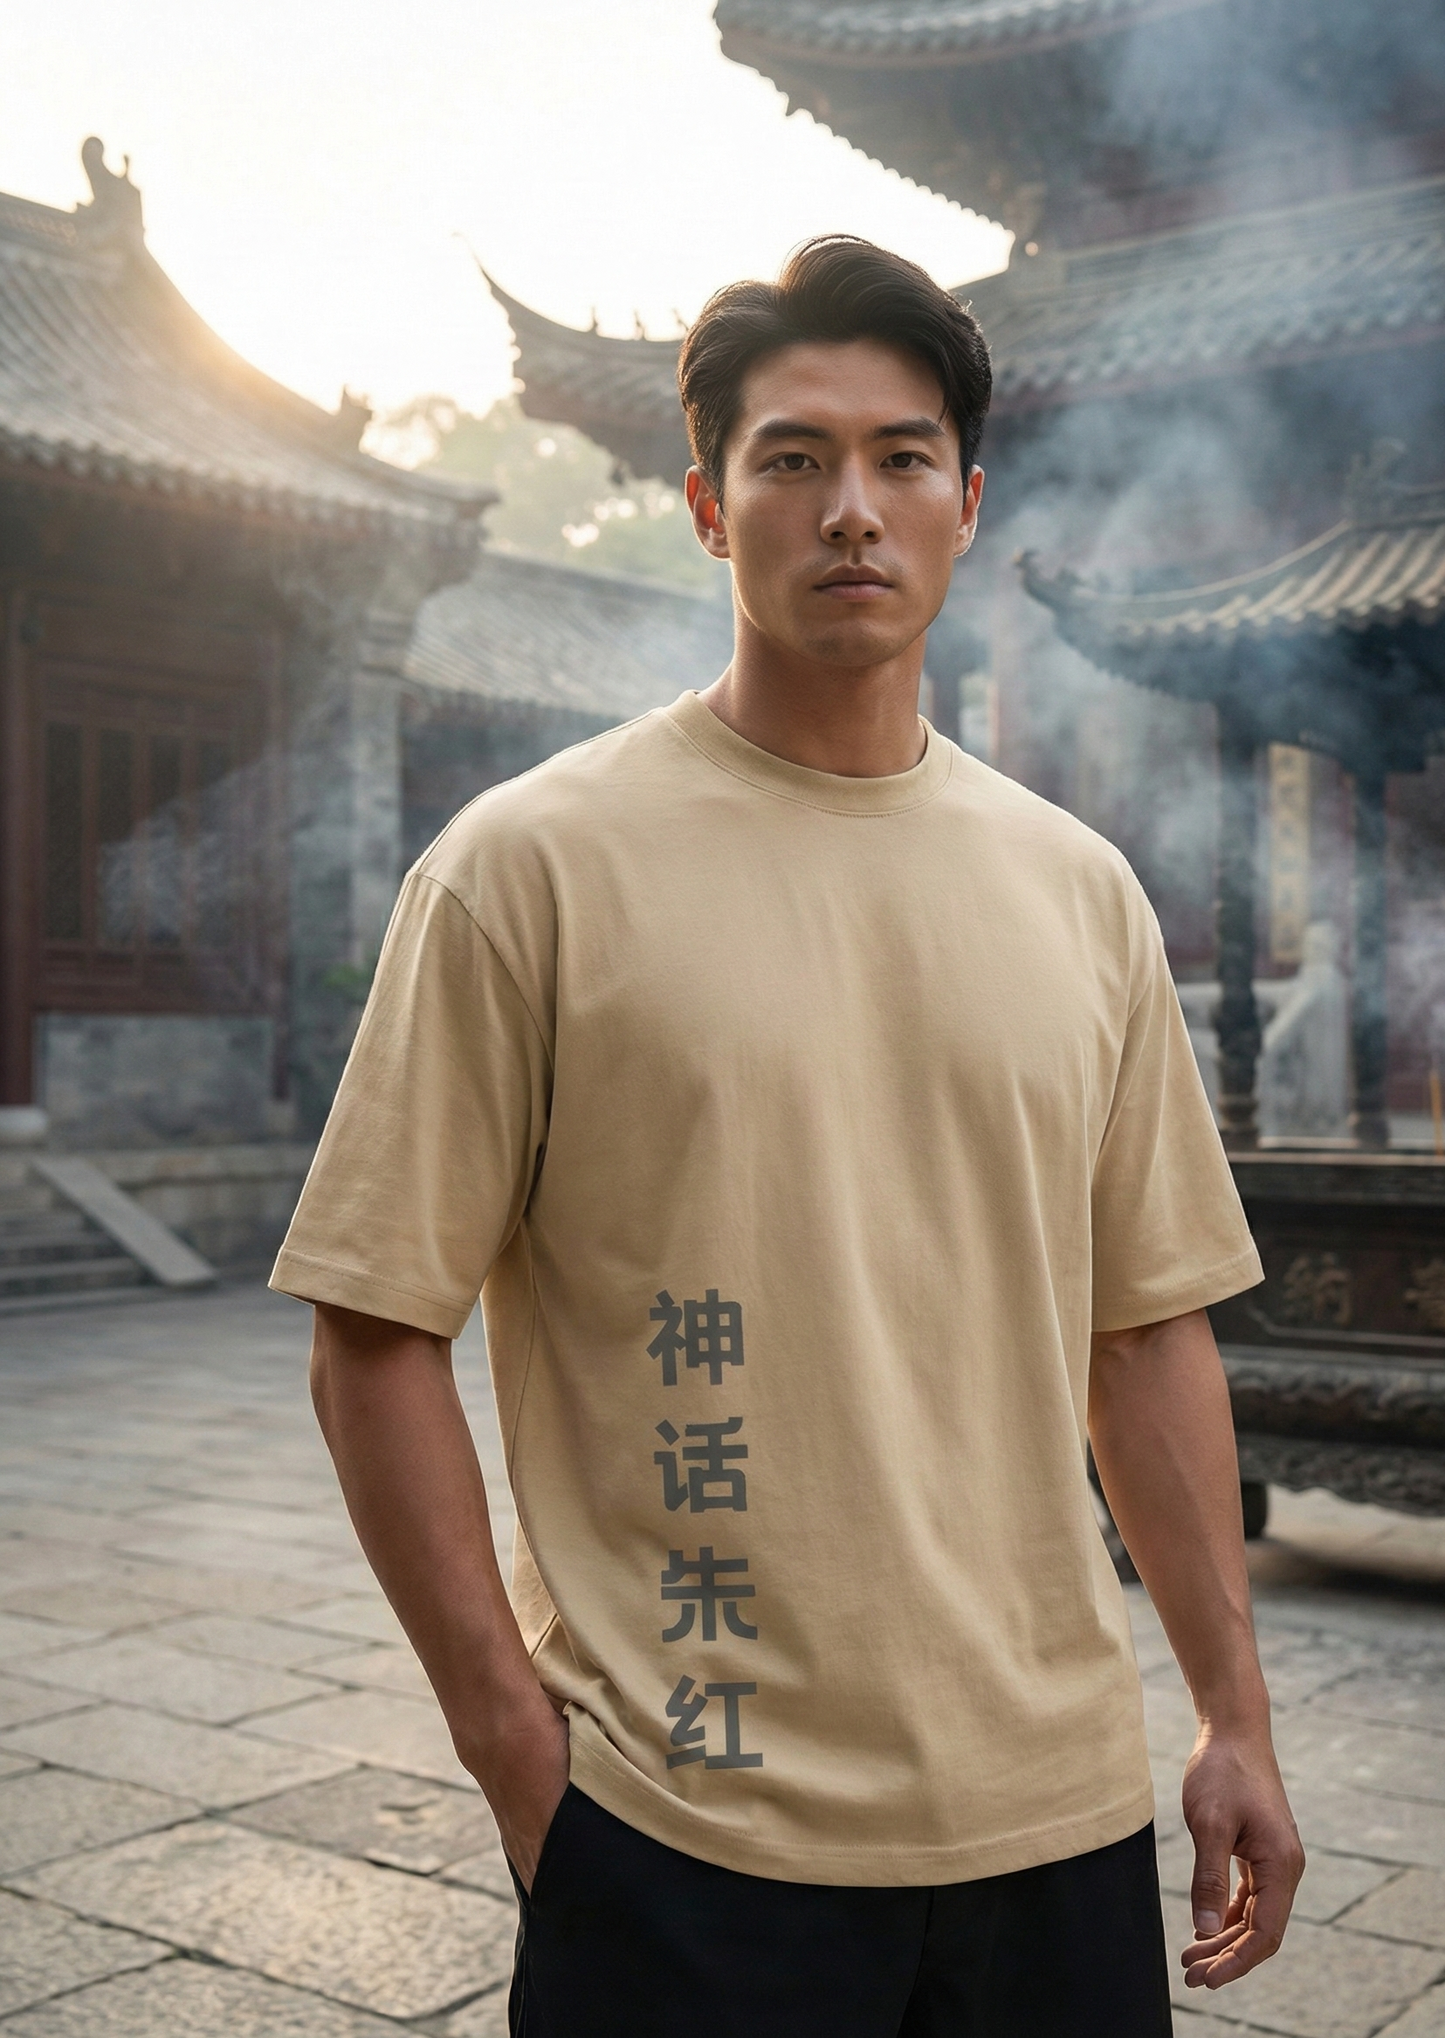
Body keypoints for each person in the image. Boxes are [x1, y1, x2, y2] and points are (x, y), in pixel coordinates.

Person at [271, 234, 1303, 2036]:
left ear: (968, 505)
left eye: (903, 458)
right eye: (792, 458)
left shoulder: (1079, 893)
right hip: (683, 1837)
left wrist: (1234, 1710)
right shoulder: (530, 871)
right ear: (703, 503)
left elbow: (1144, 1330)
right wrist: (528, 1765)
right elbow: (371, 1332)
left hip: (1051, 1819)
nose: (852, 508)